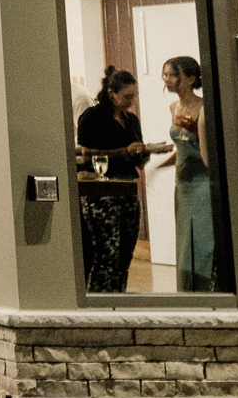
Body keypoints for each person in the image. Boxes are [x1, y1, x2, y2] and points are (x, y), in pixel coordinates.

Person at [75, 66, 166, 292]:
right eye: (127, 96)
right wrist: (125, 151)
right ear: (111, 94)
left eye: (134, 96)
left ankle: (119, 300)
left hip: (127, 189)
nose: (132, 101)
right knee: (106, 255)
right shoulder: (92, 116)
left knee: (125, 256)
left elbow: (137, 162)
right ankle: (98, 304)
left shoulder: (131, 120)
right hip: (101, 192)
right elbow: (86, 155)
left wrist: (145, 153)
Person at [149, 55, 216, 292]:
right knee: (185, 242)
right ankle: (187, 292)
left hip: (201, 181)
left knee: (203, 241)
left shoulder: (204, 106)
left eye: (173, 75)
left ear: (191, 78)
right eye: (165, 75)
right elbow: (183, 148)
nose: (167, 80)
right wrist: (159, 166)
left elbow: (205, 150)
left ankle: (204, 291)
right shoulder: (173, 107)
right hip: (183, 184)